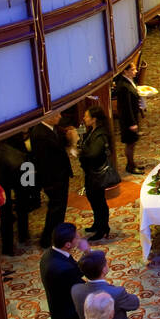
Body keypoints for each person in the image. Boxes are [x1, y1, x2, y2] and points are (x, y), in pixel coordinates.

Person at [31, 110, 73, 247]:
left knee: (59, 209)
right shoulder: (39, 134)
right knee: (55, 210)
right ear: (47, 117)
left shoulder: (53, 129)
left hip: (61, 176)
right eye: (56, 114)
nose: (60, 116)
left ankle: (57, 235)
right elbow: (43, 162)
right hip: (53, 180)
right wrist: (48, 183)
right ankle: (47, 239)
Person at [39, 222, 84, 319]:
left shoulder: (50, 253)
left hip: (60, 310)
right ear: (68, 244)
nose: (79, 236)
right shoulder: (63, 268)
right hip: (70, 317)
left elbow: (75, 270)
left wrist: (87, 253)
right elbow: (81, 288)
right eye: (76, 237)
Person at [78, 106, 114, 242]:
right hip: (91, 173)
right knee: (93, 199)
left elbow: (94, 153)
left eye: (86, 116)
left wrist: (82, 150)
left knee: (99, 201)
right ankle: (97, 224)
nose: (84, 118)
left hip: (97, 173)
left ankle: (103, 228)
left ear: (94, 119)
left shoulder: (100, 134)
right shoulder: (92, 131)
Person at [114, 62, 143, 174]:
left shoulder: (129, 81)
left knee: (133, 142)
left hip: (132, 118)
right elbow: (126, 108)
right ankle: (130, 166)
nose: (135, 71)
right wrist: (132, 123)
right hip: (128, 121)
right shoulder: (123, 87)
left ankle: (132, 164)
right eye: (133, 70)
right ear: (125, 71)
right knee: (130, 143)